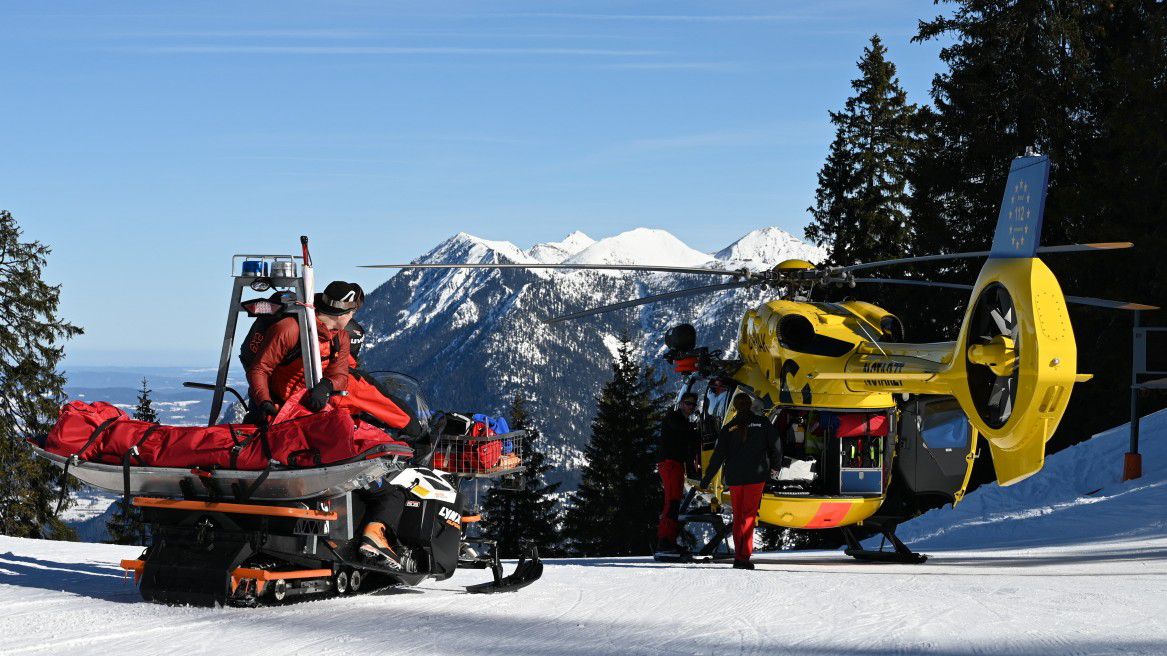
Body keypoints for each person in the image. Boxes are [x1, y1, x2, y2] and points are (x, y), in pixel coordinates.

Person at [244, 280, 413, 569]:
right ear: (345, 312)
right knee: (390, 488)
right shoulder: (291, 329)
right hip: (282, 421)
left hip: (314, 421)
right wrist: (264, 404)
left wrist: (326, 386)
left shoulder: (339, 338)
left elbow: (341, 374)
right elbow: (260, 368)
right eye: (353, 313)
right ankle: (371, 539)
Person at [700, 393, 782, 570]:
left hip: (735, 478)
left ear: (735, 408)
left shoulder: (729, 428)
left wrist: (706, 479)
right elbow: (776, 445)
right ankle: (744, 557)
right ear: (751, 405)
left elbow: (717, 457)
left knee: (738, 517)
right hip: (756, 477)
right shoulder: (763, 423)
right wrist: (775, 468)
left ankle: (740, 555)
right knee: (749, 515)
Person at [656, 392, 700, 555]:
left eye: (693, 405)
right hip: (671, 464)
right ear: (681, 403)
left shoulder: (681, 420)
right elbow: (683, 430)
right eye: (688, 404)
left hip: (674, 464)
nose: (690, 407)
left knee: (673, 502)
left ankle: (668, 541)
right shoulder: (674, 418)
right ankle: (665, 542)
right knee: (672, 503)